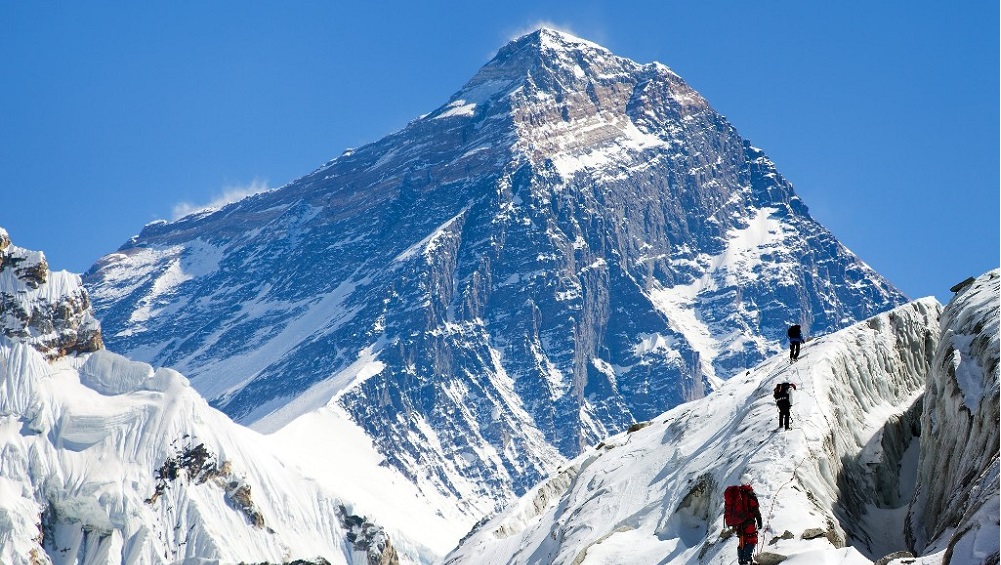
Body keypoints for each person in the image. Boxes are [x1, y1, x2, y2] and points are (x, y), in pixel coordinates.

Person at [724, 482, 764, 565]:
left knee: (742, 540)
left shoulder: (738, 495)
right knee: (752, 539)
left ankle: (741, 560)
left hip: (738, 523)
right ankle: (747, 560)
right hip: (749, 522)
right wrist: (759, 520)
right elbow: (755, 509)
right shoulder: (750, 495)